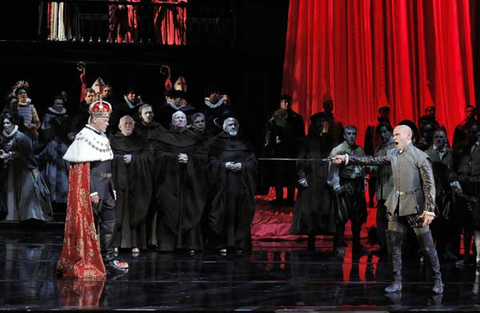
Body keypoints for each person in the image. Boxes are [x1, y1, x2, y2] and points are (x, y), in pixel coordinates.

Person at [332, 125, 443, 294]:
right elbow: (371, 160)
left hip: (414, 207)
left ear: (408, 136)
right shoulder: (392, 154)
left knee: (427, 246)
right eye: (394, 134)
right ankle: (396, 281)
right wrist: (348, 159)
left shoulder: (420, 156)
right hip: (396, 204)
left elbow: (429, 184)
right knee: (393, 246)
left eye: (397, 134)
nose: (394, 137)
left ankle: (438, 281)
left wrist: (429, 210)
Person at [57, 100, 128, 277]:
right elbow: (84, 168)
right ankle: (91, 259)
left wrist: (111, 187)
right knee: (91, 224)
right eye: (104, 119)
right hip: (94, 189)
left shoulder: (102, 135)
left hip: (106, 187)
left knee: (110, 222)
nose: (107, 122)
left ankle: (108, 259)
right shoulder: (84, 136)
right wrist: (92, 190)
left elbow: (105, 166)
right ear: (95, 118)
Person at [152, 111, 206, 255]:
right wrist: (174, 158)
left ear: (186, 121)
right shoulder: (164, 138)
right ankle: (166, 245)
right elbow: (157, 156)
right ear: (172, 121)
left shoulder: (195, 138)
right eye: (177, 118)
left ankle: (190, 244)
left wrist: (189, 160)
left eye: (182, 118)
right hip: (169, 181)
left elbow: (202, 157)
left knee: (190, 208)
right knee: (168, 209)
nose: (180, 120)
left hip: (190, 182)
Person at [207, 117, 258, 254]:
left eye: (235, 124)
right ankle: (220, 244)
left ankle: (238, 244)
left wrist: (242, 166)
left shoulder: (245, 143)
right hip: (222, 186)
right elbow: (210, 163)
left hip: (240, 185)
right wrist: (224, 166)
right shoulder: (216, 143)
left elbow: (253, 163)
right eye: (230, 125)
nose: (233, 127)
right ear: (224, 127)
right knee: (221, 213)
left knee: (240, 213)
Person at [290, 112, 335, 250]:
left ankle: (327, 236)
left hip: (325, 178)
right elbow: (301, 159)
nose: (321, 126)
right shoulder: (307, 140)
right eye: (319, 123)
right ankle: (310, 239)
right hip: (311, 177)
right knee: (310, 209)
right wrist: (301, 176)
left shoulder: (330, 140)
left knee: (324, 207)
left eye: (323, 123)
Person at [110, 116, 153, 255]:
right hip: (118, 182)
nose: (128, 126)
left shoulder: (141, 141)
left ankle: (135, 243)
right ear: (119, 126)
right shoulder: (112, 141)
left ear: (134, 126)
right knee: (117, 212)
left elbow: (149, 157)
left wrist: (134, 159)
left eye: (130, 124)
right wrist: (119, 159)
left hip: (137, 181)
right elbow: (107, 157)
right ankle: (115, 244)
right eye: (125, 124)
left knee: (135, 211)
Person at [0, 112, 53, 222]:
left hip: (23, 168)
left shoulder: (21, 137)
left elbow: (27, 154)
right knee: (11, 191)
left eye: (7, 123)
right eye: (4, 123)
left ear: (13, 124)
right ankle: (12, 214)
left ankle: (29, 215)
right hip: (11, 168)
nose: (5, 125)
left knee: (26, 191)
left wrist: (10, 155)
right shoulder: (3, 137)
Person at [328, 125, 369, 256]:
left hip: (357, 185)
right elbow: (332, 170)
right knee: (341, 216)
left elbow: (363, 168)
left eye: (353, 134)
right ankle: (338, 244)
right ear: (345, 135)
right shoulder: (338, 150)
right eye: (349, 134)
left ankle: (356, 245)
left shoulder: (360, 150)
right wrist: (336, 185)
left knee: (357, 217)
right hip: (344, 184)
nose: (351, 136)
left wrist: (364, 183)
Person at [37, 96, 74, 220]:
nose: (59, 106)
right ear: (53, 104)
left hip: (63, 148)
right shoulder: (48, 116)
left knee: (64, 176)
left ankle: (63, 205)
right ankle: (52, 204)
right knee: (51, 176)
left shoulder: (66, 117)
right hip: (52, 147)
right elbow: (44, 133)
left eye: (61, 104)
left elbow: (70, 130)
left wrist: (70, 135)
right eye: (57, 104)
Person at [264, 94, 305, 206]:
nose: (287, 104)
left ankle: (290, 199)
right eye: (284, 102)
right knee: (279, 174)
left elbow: (301, 135)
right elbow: (269, 131)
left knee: (292, 174)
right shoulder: (274, 116)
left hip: (292, 149)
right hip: (279, 149)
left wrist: (300, 147)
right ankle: (279, 199)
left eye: (288, 102)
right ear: (281, 103)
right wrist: (268, 144)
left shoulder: (297, 117)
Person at [425, 128, 457, 262]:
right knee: (432, 224)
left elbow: (454, 171)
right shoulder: (427, 153)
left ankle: (445, 251)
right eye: (437, 137)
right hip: (432, 193)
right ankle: (430, 252)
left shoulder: (451, 154)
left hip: (447, 192)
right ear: (433, 139)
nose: (439, 139)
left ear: (446, 139)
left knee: (447, 223)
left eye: (441, 137)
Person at [453, 124, 480, 268]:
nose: (471, 134)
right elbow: (455, 166)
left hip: (477, 189)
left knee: (477, 225)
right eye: (469, 132)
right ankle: (467, 256)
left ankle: (477, 256)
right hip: (464, 189)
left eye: (474, 132)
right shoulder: (461, 148)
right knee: (466, 224)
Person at [370, 122, 395, 255]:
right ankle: (383, 246)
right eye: (381, 132)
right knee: (381, 220)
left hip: (392, 191)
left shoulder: (395, 147)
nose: (383, 135)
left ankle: (393, 248)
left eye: (385, 131)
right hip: (381, 192)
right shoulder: (379, 148)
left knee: (392, 221)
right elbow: (374, 168)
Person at [364, 104, 391, 208]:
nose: (385, 113)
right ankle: (371, 200)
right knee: (373, 178)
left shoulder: (391, 125)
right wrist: (368, 157)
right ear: (379, 112)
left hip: (387, 156)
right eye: (383, 111)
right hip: (375, 155)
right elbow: (368, 142)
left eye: (387, 111)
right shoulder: (372, 125)